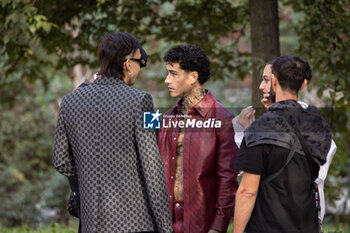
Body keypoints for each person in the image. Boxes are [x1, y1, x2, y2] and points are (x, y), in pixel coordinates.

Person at [53, 32, 172, 233]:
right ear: (127, 63)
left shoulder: (69, 101)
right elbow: (152, 168)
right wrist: (166, 228)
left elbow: (60, 160)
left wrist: (88, 176)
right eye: (138, 63)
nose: (138, 70)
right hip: (135, 223)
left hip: (91, 223)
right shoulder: (142, 100)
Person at [233, 56, 333, 233]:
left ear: (274, 80)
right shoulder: (318, 124)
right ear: (303, 84)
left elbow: (247, 192)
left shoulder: (260, 128)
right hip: (306, 225)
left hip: (266, 226)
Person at [158, 45, 239, 233]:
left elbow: (227, 180)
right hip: (165, 224)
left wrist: (217, 228)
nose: (166, 80)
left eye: (173, 74)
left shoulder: (222, 119)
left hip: (201, 224)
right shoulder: (167, 118)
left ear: (193, 77)